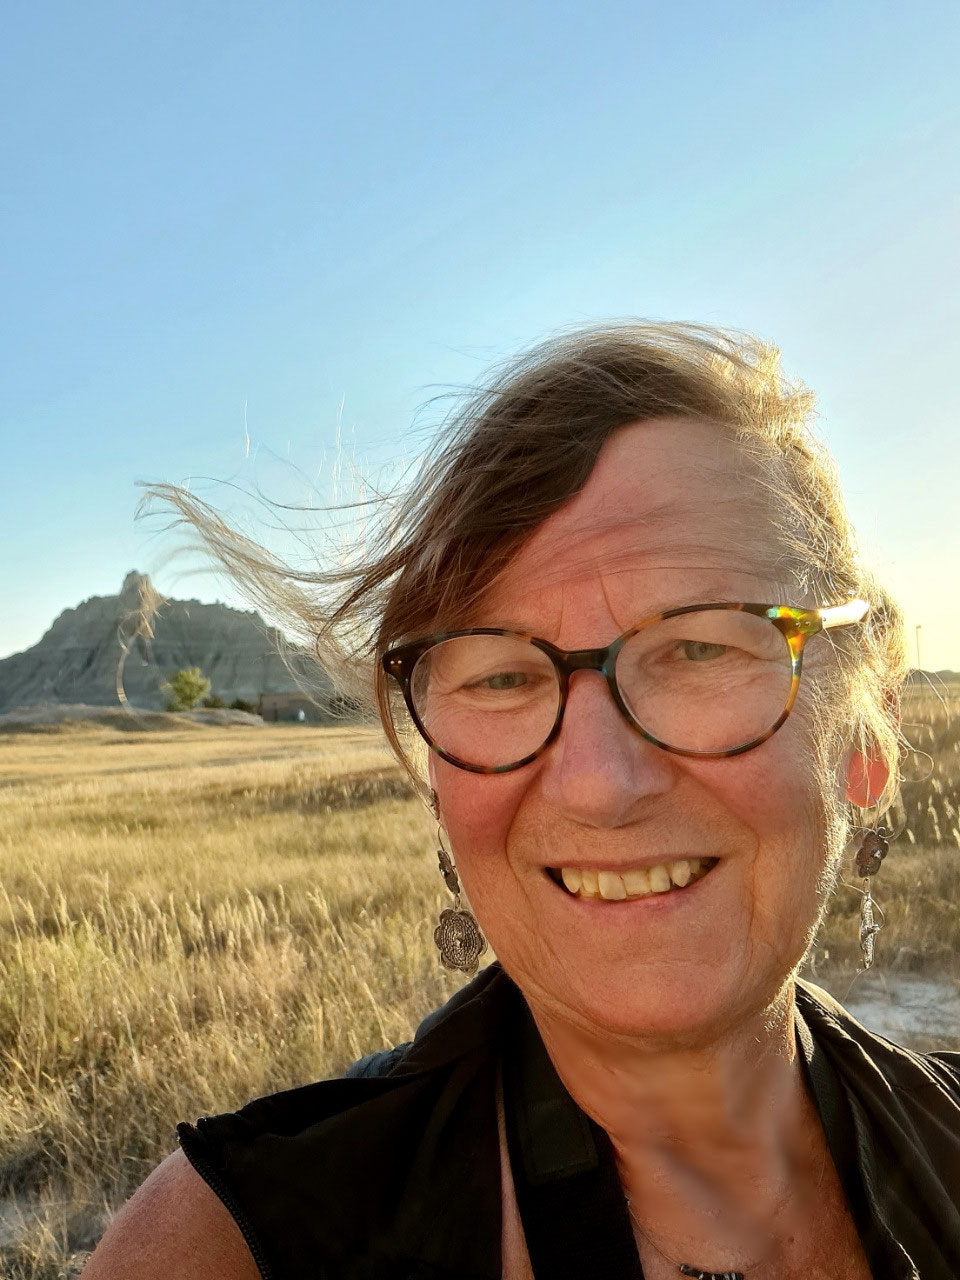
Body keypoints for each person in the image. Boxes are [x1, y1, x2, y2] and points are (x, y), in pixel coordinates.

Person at [82, 323, 960, 1280]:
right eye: (500, 676)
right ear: (438, 786)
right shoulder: (228, 1250)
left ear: (867, 737)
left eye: (699, 648)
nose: (598, 784)